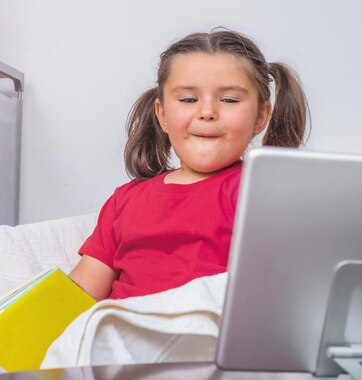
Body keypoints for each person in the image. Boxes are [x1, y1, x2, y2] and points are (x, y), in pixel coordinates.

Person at [70, 28, 309, 301]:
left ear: (260, 116)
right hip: (123, 334)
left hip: (205, 335)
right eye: (188, 99)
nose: (207, 112)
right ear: (162, 115)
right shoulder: (124, 201)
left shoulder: (262, 191)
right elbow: (78, 295)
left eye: (229, 100)